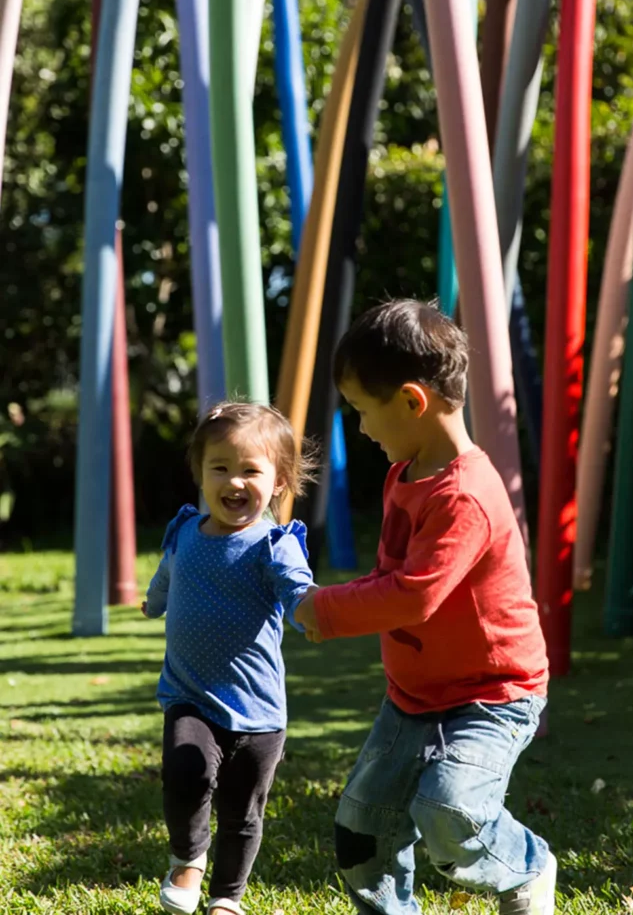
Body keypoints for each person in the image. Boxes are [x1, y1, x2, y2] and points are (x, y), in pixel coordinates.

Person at [294, 299, 554, 915]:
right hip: (414, 696)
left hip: (493, 692)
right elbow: (389, 575)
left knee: (450, 812)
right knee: (362, 831)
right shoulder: (406, 473)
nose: (361, 429)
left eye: (363, 411)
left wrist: (322, 609)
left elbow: (414, 595)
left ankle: (525, 868)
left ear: (412, 401)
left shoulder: (465, 495)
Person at [143, 401, 316, 915]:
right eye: (220, 467)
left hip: (260, 712)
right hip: (191, 695)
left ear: (279, 481)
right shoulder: (186, 534)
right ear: (199, 472)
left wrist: (314, 613)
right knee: (185, 772)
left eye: (250, 470)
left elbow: (298, 593)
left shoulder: (273, 545)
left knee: (243, 812)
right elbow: (167, 578)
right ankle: (187, 858)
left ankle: (227, 899)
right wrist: (153, 604)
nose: (234, 481)